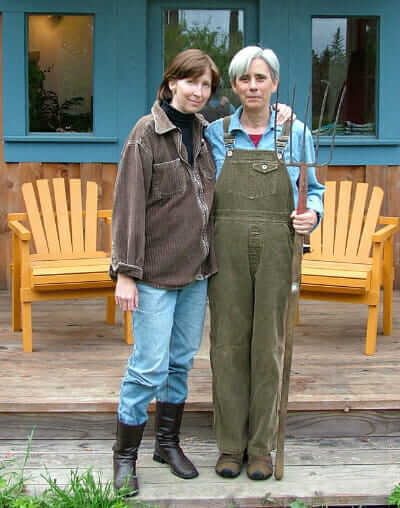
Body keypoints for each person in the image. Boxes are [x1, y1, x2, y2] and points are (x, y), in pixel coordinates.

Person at [205, 46, 325, 481]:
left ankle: (261, 448)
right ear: (234, 87)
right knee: (228, 345)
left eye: (260, 78)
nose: (252, 86)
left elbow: (315, 192)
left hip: (279, 245)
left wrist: (312, 214)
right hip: (227, 247)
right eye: (243, 79)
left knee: (269, 346)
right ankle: (229, 447)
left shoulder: (297, 134)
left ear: (274, 82)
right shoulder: (215, 134)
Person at [109, 48, 220, 496]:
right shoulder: (146, 133)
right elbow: (128, 207)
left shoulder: (211, 135)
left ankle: (167, 445)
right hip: (153, 275)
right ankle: (124, 458)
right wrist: (125, 272)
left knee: (180, 363)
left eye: (207, 85)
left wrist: (282, 114)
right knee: (148, 366)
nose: (198, 91)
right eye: (191, 81)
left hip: (197, 273)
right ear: (172, 82)